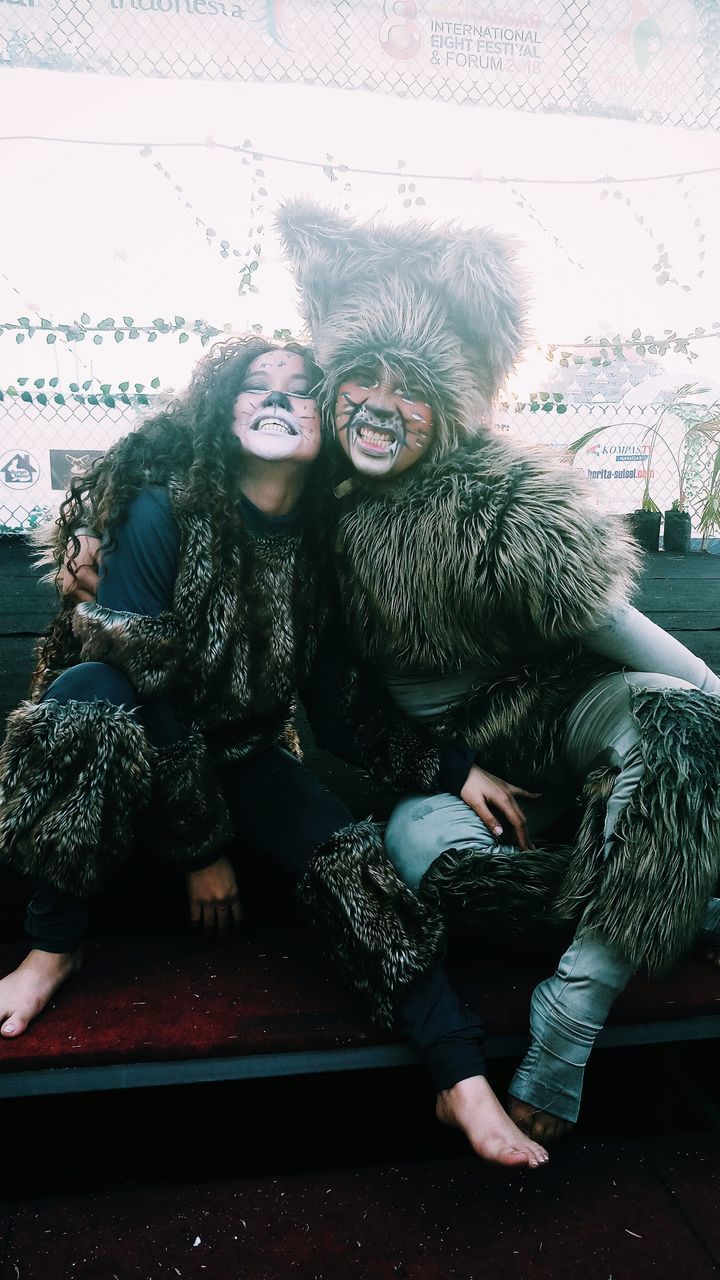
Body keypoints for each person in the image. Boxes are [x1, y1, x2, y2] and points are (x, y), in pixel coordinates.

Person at [8, 335, 553, 1170]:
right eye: (254, 385)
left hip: (243, 758)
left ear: (322, 421)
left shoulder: (319, 544)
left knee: (343, 848)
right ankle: (51, 945)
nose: (276, 398)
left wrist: (453, 770)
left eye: (299, 390)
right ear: (221, 414)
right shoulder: (167, 511)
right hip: (131, 757)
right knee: (88, 691)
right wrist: (203, 850)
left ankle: (459, 1076)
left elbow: (338, 710)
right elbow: (143, 685)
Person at [277, 200, 720, 1151]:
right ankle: (667, 891)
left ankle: (575, 1010)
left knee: (685, 723)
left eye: (411, 385)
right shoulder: (313, 512)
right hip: (456, 780)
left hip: (566, 720)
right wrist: (449, 770)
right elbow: (343, 713)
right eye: (364, 376)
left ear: (453, 402)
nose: (381, 404)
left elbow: (622, 630)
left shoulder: (501, 495)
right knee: (423, 868)